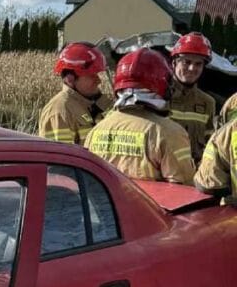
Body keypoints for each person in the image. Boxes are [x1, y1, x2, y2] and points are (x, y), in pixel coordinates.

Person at [86, 48, 195, 185]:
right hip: (153, 206)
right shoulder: (171, 133)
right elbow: (185, 191)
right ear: (163, 84)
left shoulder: (95, 131)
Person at [37, 42, 110, 145]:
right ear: (70, 79)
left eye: (97, 74)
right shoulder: (60, 112)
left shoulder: (98, 103)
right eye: (91, 75)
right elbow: (61, 158)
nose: (98, 81)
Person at [168, 32, 217, 164]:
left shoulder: (207, 103)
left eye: (198, 64)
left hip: (192, 179)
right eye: (187, 62)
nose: (192, 68)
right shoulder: (159, 97)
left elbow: (210, 146)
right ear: (174, 63)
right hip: (161, 178)